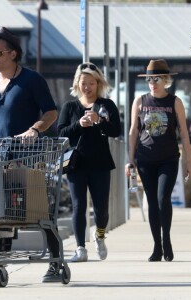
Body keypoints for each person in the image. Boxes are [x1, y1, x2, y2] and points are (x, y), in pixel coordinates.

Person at [0, 27, 60, 283]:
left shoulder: (31, 80)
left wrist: (35, 130)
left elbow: (51, 112)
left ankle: (56, 262)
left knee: (38, 211)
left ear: (13, 54)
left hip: (27, 156)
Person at [125, 59, 191, 262]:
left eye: (156, 79)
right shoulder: (140, 101)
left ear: (165, 80)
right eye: (149, 79)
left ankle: (167, 240)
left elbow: (184, 133)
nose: (152, 83)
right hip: (145, 160)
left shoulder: (175, 102)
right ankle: (156, 246)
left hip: (169, 159)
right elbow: (133, 131)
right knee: (152, 203)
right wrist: (130, 160)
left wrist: (189, 161)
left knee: (163, 198)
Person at [57, 62, 121, 262]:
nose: (87, 87)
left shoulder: (106, 105)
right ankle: (80, 248)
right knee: (78, 206)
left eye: (91, 83)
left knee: (101, 209)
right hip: (77, 163)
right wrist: (79, 124)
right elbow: (61, 132)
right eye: (84, 83)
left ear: (98, 84)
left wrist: (99, 121)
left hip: (100, 163)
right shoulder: (69, 106)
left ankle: (100, 235)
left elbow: (116, 130)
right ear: (77, 84)